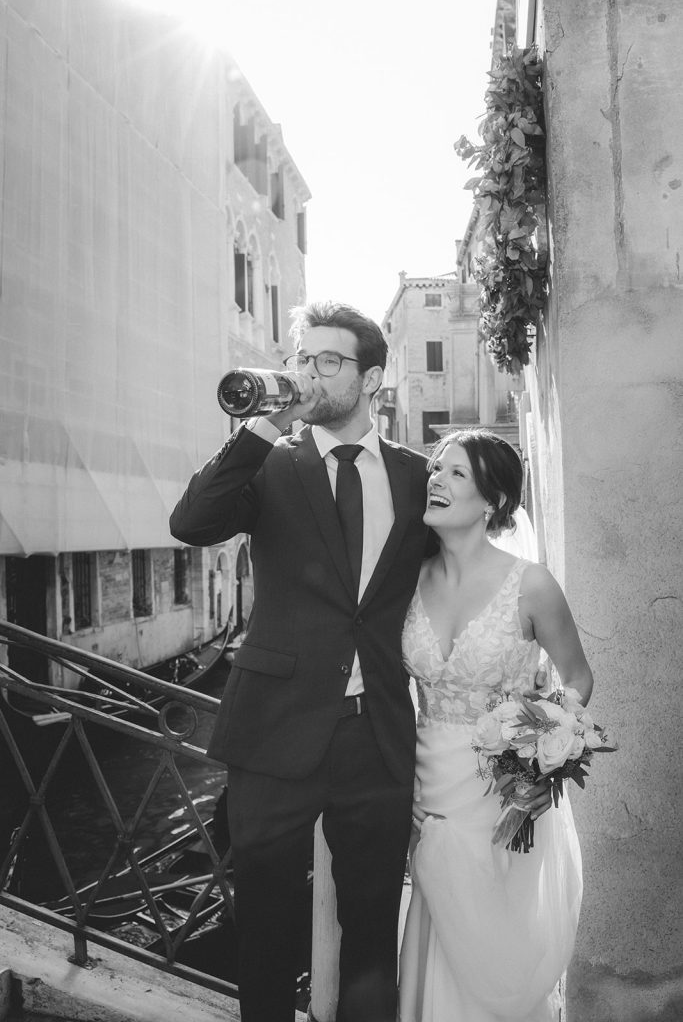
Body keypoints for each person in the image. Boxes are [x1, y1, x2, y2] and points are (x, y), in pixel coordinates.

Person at [169, 301, 434, 1022]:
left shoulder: (416, 478)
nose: (307, 372)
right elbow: (191, 522)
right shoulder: (268, 464)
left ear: (370, 377)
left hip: (374, 734)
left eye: (327, 361)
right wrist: (258, 427)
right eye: (299, 357)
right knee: (265, 920)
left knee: (373, 920)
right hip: (274, 730)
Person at [398, 429, 592, 1022]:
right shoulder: (407, 578)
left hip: (503, 789)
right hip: (425, 782)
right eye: (436, 469)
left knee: (496, 942)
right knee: (436, 931)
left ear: (493, 501)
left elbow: (578, 680)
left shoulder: (530, 585)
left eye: (457, 474)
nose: (436, 480)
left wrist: (540, 750)